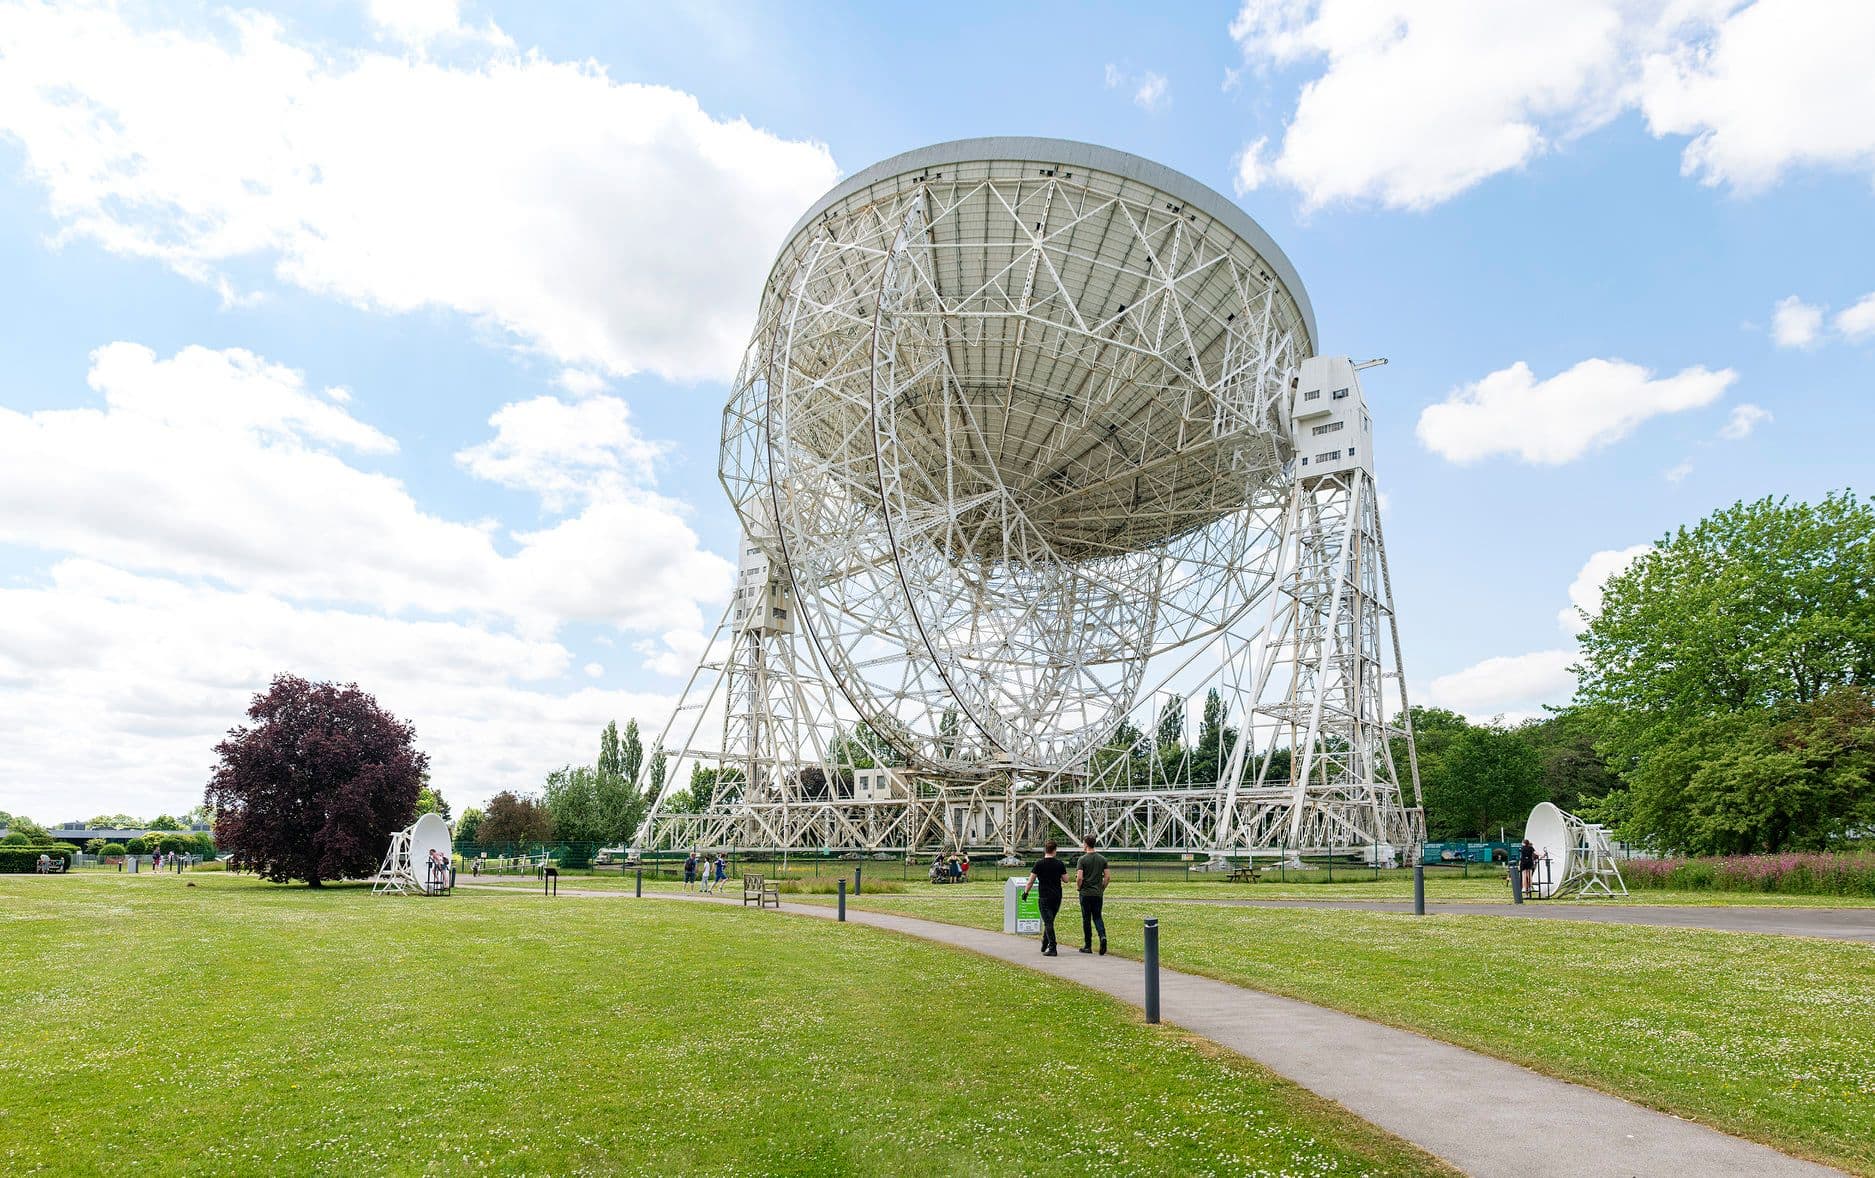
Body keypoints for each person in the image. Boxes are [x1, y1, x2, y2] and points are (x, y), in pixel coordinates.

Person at [1023, 840, 1067, 956]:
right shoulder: (1059, 864)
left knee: (1048, 921)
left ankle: (1052, 947)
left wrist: (1025, 893)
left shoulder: (1039, 864)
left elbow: (1030, 881)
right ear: (1055, 851)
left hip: (1044, 896)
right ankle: (1045, 941)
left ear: (1045, 850)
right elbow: (1066, 879)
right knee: (1050, 920)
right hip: (1057, 896)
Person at [1075, 835, 1110, 955]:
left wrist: (1078, 887)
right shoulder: (1102, 859)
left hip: (1085, 893)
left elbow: (1079, 877)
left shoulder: (1082, 860)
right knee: (1097, 916)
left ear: (1085, 844)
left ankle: (1088, 945)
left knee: (1086, 919)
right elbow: (1107, 877)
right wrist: (1102, 888)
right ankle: (1102, 936)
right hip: (1097, 893)